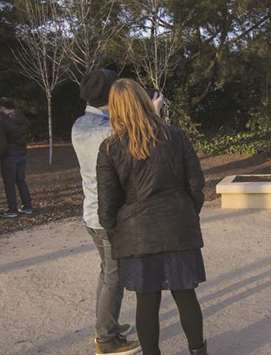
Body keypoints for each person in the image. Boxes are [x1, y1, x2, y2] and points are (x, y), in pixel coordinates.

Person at [97, 79, 207, 355]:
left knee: (147, 302)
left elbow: (108, 204)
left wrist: (114, 231)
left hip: (137, 233)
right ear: (144, 101)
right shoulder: (176, 136)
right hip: (177, 225)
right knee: (185, 295)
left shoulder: (110, 148)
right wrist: (186, 212)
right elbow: (196, 184)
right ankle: (198, 351)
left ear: (114, 109)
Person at [72, 70, 141, 355]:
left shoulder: (80, 124)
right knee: (115, 276)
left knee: (107, 272)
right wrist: (153, 113)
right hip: (107, 216)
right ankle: (106, 339)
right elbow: (138, 143)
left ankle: (106, 324)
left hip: (92, 214)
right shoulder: (109, 131)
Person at [0, 98, 32, 219]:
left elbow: (2, 141)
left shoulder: (3, 120)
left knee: (9, 183)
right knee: (20, 180)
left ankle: (12, 209)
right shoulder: (21, 118)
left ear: (3, 107)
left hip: (9, 155)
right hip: (21, 153)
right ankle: (27, 206)